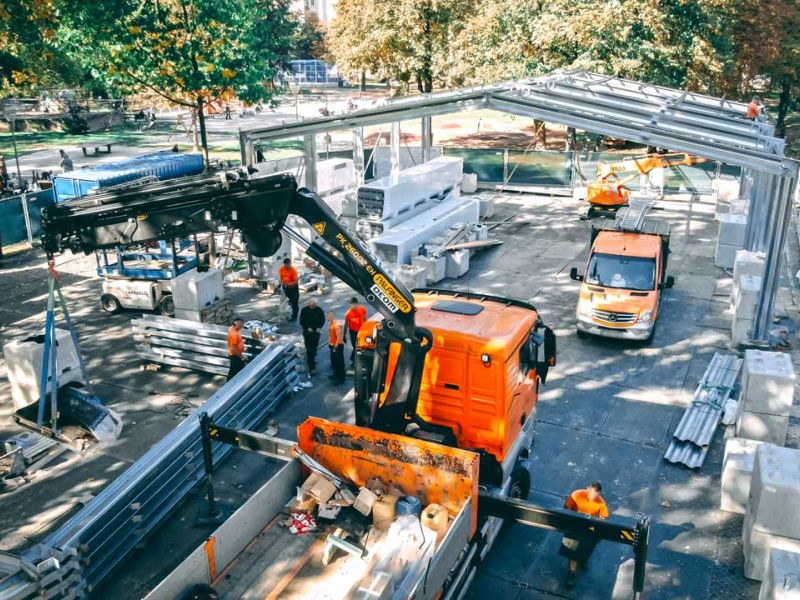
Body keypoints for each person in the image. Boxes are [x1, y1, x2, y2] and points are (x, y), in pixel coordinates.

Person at [559, 481, 609, 588]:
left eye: (596, 495)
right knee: (574, 553)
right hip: (575, 525)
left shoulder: (601, 503)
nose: (593, 497)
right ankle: (571, 574)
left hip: (589, 528)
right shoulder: (577, 494)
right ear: (587, 489)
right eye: (591, 494)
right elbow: (566, 508)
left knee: (587, 547)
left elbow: (603, 519)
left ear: (599, 494)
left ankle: (583, 560)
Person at [299, 298, 325, 375]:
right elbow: (302, 321)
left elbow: (322, 320)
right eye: (310, 305)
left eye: (313, 305)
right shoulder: (304, 310)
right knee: (309, 349)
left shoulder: (319, 310)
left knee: (314, 347)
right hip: (307, 333)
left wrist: (319, 327)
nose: (312, 307)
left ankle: (312, 359)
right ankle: (311, 367)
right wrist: (307, 327)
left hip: (316, 332)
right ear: (308, 304)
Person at [344, 297, 368, 364]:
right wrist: (344, 335)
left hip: (362, 331)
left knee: (361, 346)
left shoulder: (362, 309)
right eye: (350, 304)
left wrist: (367, 328)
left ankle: (354, 359)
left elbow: (365, 319)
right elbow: (346, 325)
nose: (351, 305)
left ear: (356, 303)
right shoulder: (348, 313)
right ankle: (354, 359)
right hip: (353, 332)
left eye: (352, 304)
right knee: (355, 346)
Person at [278, 258, 300, 322]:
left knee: (294, 303)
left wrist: (288, 284)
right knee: (286, 301)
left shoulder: (293, 270)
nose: (288, 266)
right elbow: (281, 277)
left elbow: (296, 282)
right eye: (287, 264)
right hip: (285, 288)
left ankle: (294, 316)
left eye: (289, 264)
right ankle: (286, 313)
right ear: (285, 264)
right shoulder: (282, 269)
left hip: (293, 289)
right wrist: (280, 284)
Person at [227, 317, 248, 381]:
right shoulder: (234, 333)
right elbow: (233, 348)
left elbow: (236, 339)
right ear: (236, 323)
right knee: (235, 371)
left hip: (236, 354)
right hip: (235, 355)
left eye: (242, 323)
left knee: (233, 370)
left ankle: (231, 383)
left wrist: (241, 340)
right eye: (241, 324)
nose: (242, 325)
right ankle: (231, 385)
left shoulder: (235, 329)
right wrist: (242, 356)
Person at [328, 311, 346, 383]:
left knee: (339, 363)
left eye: (329, 316)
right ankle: (335, 375)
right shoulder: (331, 323)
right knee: (335, 362)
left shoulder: (337, 325)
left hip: (337, 346)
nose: (328, 317)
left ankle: (340, 378)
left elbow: (339, 337)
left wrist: (335, 347)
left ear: (332, 316)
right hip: (332, 345)